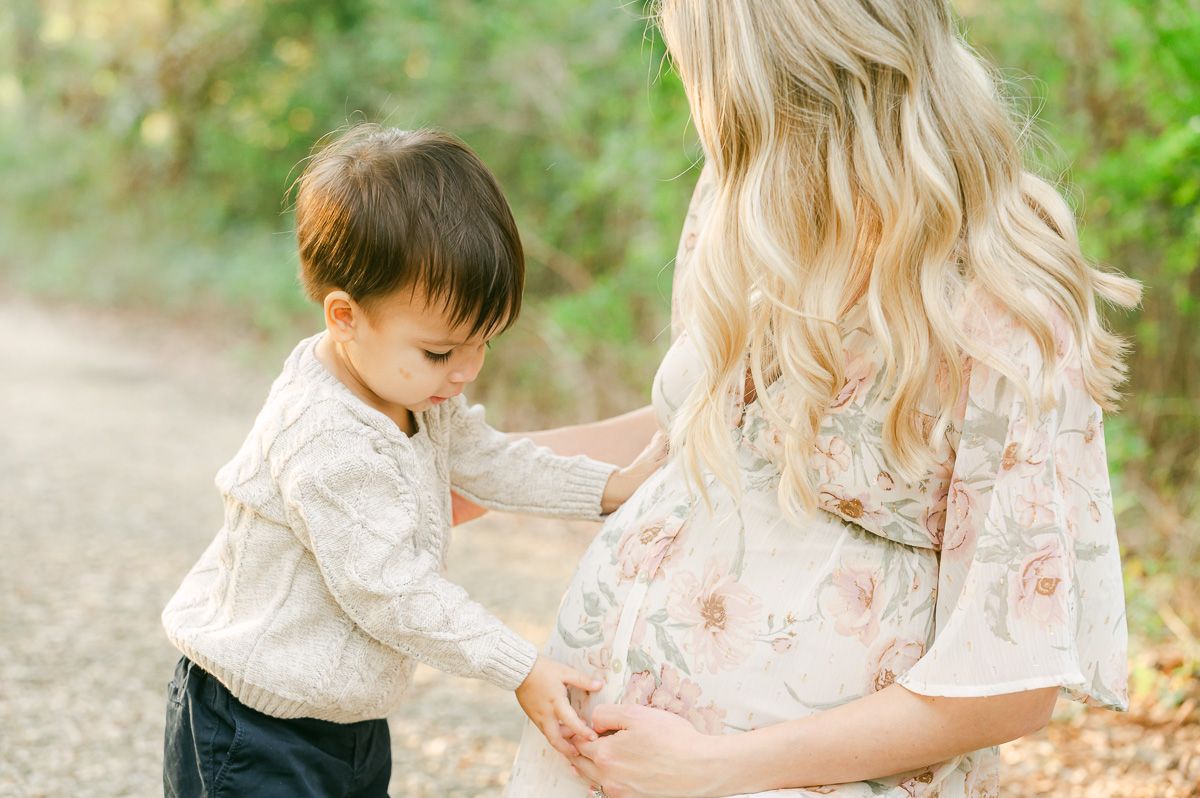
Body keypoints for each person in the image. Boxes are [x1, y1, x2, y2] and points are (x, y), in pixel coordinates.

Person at [501, 1, 1141, 796]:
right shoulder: (741, 200)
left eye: (709, 75)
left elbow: (1009, 681)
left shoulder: (1004, 300)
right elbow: (701, 438)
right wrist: (477, 474)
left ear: (794, 77)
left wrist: (710, 771)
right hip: (602, 765)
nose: (702, 106)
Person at [160, 124, 666, 797]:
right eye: (441, 351)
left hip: (348, 716)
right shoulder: (324, 437)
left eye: (484, 343)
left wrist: (612, 488)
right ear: (344, 316)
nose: (465, 371)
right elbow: (392, 591)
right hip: (254, 726)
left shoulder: (411, 389)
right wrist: (520, 666)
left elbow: (491, 460)